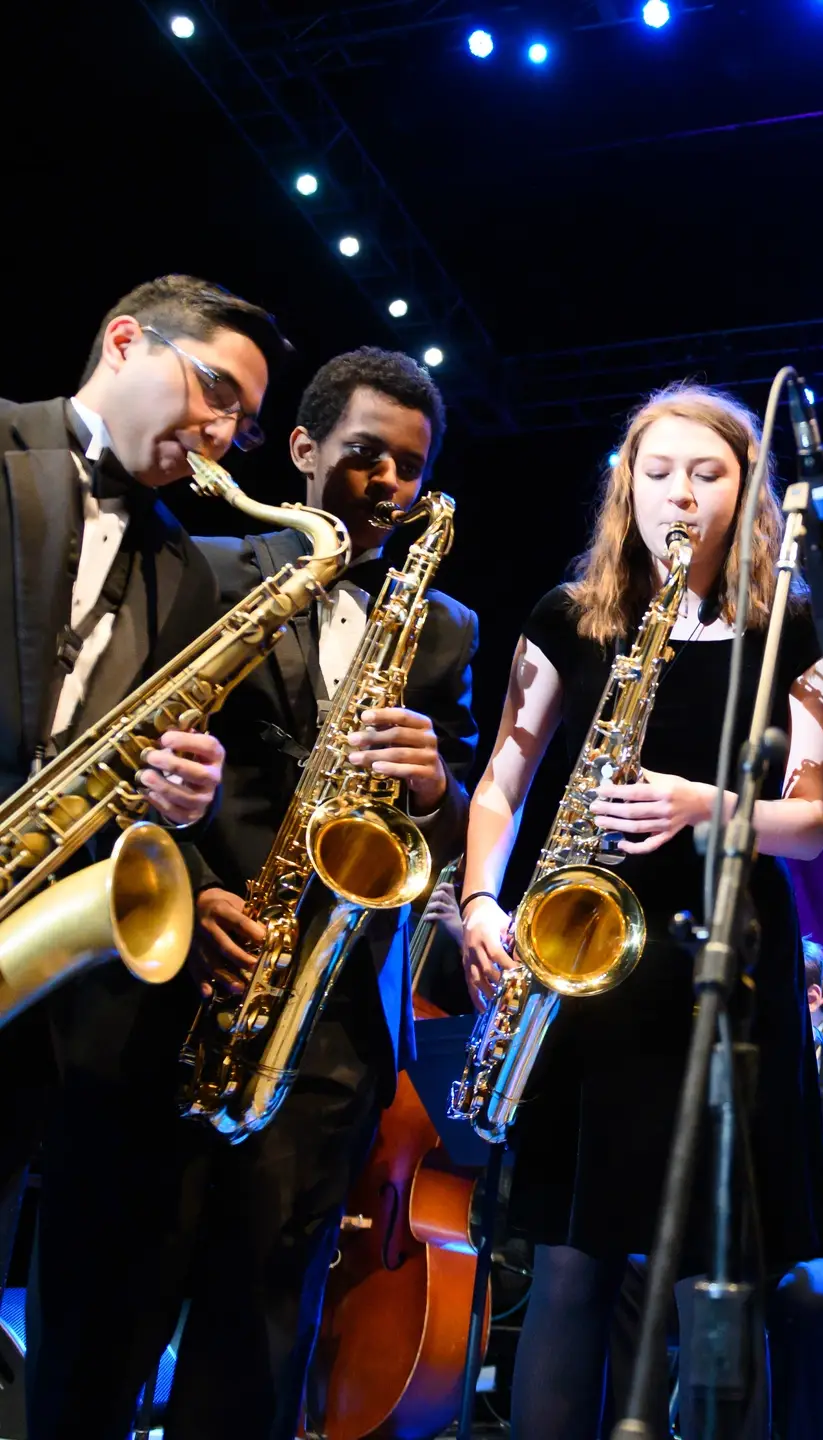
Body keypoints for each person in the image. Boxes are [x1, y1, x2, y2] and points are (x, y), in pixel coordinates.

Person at [24, 347, 479, 1440]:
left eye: (410, 467)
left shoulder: (444, 626)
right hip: (164, 991)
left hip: (323, 1036)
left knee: (259, 1342)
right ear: (306, 450)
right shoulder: (195, 569)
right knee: (100, 1328)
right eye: (365, 453)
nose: (388, 484)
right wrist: (189, 894)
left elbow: (454, 828)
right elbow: (106, 757)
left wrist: (432, 786)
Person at [460, 382, 823, 1438]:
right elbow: (502, 780)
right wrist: (483, 901)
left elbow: (810, 821)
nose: (680, 494)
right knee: (572, 1264)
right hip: (584, 952)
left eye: (707, 473)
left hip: (728, 962)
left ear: (748, 493)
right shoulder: (564, 618)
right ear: (625, 489)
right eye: (658, 472)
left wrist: (701, 805)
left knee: (721, 1270)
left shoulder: (792, 630)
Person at [0, 273, 283, 1428]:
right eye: (215, 391)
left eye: (245, 424)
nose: (223, 433)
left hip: (47, 956)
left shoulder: (193, 568)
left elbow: (142, 757)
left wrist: (180, 796)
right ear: (125, 340)